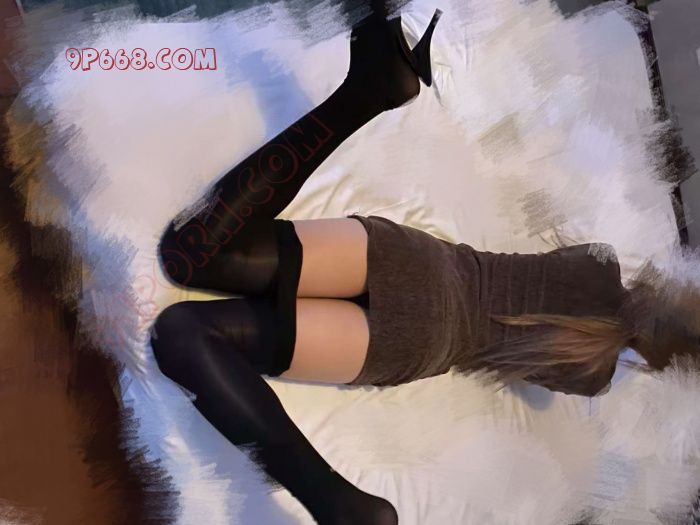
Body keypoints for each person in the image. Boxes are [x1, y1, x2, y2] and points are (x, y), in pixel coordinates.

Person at [149, 5, 699, 524]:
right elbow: (543, 356)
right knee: (184, 332)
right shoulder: (591, 376)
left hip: (416, 263)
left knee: (189, 254)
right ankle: (336, 503)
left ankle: (369, 90)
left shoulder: (599, 264)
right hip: (418, 342)